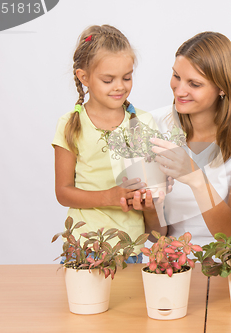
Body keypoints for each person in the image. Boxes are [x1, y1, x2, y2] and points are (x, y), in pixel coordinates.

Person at [122, 32, 231, 246]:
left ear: (222, 87)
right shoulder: (151, 124)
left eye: (194, 84)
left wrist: (195, 176)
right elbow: (154, 234)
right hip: (174, 263)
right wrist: (150, 208)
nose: (179, 90)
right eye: (176, 76)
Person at [52, 25, 159, 262]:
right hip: (83, 245)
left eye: (127, 77)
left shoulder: (143, 122)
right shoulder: (70, 124)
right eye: (108, 80)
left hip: (130, 247)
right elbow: (63, 192)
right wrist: (108, 197)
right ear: (84, 77)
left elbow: (150, 186)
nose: (120, 86)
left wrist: (149, 199)